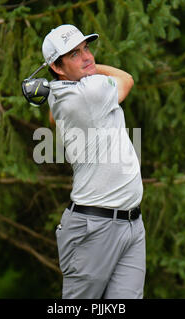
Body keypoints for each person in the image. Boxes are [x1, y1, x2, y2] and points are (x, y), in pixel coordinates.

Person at [42, 24, 145, 299]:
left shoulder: (60, 94)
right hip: (95, 226)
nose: (87, 57)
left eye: (86, 48)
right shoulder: (92, 91)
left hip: (132, 222)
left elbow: (53, 117)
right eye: (74, 54)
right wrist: (94, 70)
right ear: (57, 67)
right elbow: (127, 79)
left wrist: (63, 80)